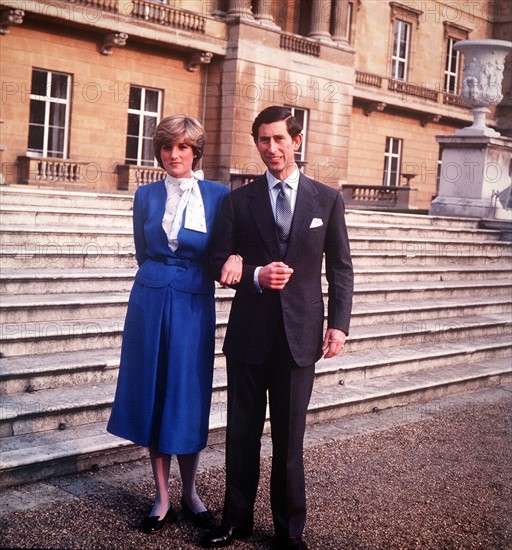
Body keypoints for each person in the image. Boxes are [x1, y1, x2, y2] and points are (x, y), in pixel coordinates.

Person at [205, 106, 354, 549]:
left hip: (301, 336)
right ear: (256, 143)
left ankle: (289, 529)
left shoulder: (326, 200)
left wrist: (339, 325)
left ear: (297, 141)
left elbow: (341, 269)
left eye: (279, 139)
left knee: (290, 440)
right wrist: (251, 273)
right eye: (263, 140)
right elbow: (215, 260)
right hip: (249, 335)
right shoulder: (238, 201)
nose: (272, 148)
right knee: (241, 433)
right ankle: (236, 520)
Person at [107, 115, 242, 535]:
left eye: (182, 147)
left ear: (195, 151)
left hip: (192, 302)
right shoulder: (145, 195)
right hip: (148, 298)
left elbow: (225, 246)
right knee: (153, 388)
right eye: (167, 147)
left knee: (186, 391)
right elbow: (142, 249)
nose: (174, 155)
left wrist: (236, 257)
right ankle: (162, 496)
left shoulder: (219, 196)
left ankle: (191, 491)